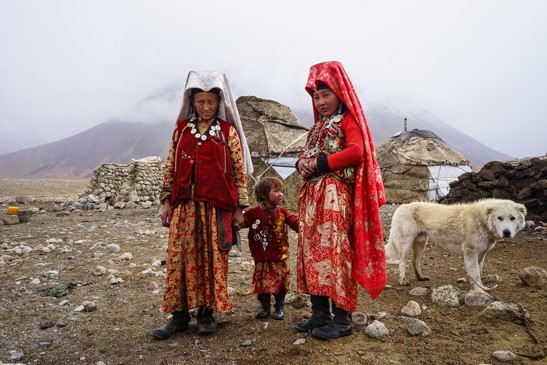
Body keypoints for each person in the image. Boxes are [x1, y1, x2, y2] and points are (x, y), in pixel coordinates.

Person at [151, 71, 253, 339]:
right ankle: (179, 316)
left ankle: (207, 314)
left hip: (215, 207)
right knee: (180, 259)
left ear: (219, 103)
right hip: (185, 207)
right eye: (200, 102)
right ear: (192, 102)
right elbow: (170, 167)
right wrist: (166, 202)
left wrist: (239, 208)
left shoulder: (228, 133)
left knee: (211, 259)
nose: (206, 107)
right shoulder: (182, 130)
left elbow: (239, 171)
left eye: (210, 102)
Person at [294, 61, 387, 340]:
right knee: (313, 255)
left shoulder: (347, 120)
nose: (321, 102)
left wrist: (319, 163)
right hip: (312, 199)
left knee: (335, 254)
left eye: (326, 95)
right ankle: (320, 314)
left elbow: (356, 152)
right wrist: (301, 163)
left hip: (334, 197)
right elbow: (306, 153)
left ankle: (343, 318)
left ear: (339, 94)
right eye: (316, 97)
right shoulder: (319, 125)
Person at [242, 177, 299, 320]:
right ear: (263, 194)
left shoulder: (283, 213)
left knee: (281, 285)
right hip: (262, 258)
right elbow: (240, 222)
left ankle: (279, 307)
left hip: (280, 257)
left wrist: (307, 226)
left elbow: (296, 223)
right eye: (276, 191)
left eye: (282, 191)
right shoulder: (253, 213)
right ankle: (264, 307)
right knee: (263, 285)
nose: (281, 194)